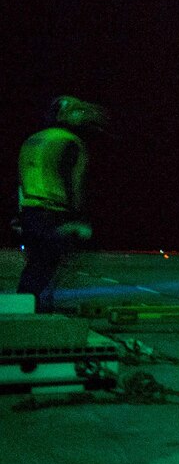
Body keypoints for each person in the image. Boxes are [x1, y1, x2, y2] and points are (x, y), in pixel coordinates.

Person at [15, 96, 107, 313]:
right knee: (46, 265)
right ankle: (33, 315)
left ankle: (25, 308)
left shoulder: (32, 140)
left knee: (34, 267)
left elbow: (20, 180)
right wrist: (78, 219)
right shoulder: (71, 142)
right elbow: (73, 183)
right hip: (53, 213)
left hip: (29, 211)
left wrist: (19, 216)